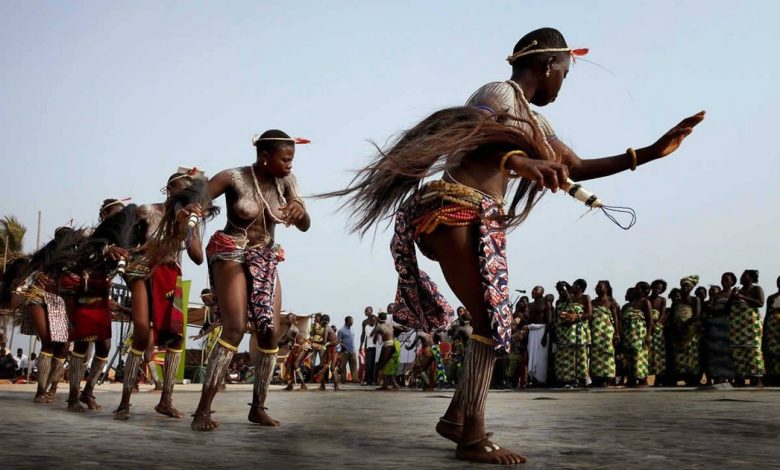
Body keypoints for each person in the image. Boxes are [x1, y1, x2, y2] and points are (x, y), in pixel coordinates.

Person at [325, 26, 702, 464]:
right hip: (455, 208)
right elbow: (472, 134)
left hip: (479, 217)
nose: (562, 84)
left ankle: (456, 419)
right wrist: (519, 159)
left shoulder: (536, 121)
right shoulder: (498, 93)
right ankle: (473, 437)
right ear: (548, 66)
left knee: (492, 320)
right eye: (564, 73)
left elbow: (575, 167)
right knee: (490, 320)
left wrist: (649, 153)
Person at [181, 129, 311, 431]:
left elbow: (305, 225)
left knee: (270, 332)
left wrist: (299, 211)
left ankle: (258, 408)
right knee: (236, 327)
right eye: (285, 159)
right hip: (231, 252)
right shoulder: (233, 177)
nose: (290, 164)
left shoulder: (287, 183)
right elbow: (196, 203)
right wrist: (191, 231)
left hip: (265, 256)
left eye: (292, 159)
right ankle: (203, 410)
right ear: (265, 157)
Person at [114, 172, 205, 420]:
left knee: (175, 339)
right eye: (178, 190)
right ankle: (124, 402)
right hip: (141, 271)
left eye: (188, 192)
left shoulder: (189, 220)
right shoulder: (146, 211)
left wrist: (190, 228)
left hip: (169, 274)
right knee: (142, 331)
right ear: (168, 190)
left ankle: (166, 400)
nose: (182, 196)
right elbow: (126, 239)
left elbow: (198, 258)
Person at [729, 270, 764, 387]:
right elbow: (727, 307)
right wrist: (733, 296)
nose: (741, 277)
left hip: (751, 325)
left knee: (753, 351)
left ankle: (757, 379)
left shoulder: (756, 289)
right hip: (737, 325)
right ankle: (740, 378)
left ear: (751, 278)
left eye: (744, 275)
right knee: (738, 351)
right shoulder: (738, 290)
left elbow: (760, 303)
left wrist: (742, 297)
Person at [555, 281, 591, 387]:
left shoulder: (584, 298)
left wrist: (574, 319)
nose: (561, 292)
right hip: (564, 332)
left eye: (563, 290)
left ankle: (581, 379)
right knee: (566, 356)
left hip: (578, 331)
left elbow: (589, 313)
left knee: (580, 355)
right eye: (559, 290)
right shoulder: (560, 301)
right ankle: (568, 379)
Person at [672, 276, 702, 386]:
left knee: (692, 354)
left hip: (691, 330)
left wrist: (686, 324)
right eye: (684, 286)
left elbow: (697, 314)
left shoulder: (695, 299)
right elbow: (672, 315)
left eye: (688, 286)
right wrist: (677, 326)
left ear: (692, 288)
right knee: (679, 355)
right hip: (678, 330)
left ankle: (692, 378)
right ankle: (681, 376)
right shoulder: (677, 301)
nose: (686, 288)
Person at [621, 282, 653, 387]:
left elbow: (650, 320)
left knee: (640, 356)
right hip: (628, 334)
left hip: (640, 334)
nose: (636, 290)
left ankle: (643, 379)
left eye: (638, 288)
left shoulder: (645, 302)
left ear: (644, 291)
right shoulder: (628, 305)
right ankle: (631, 379)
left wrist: (648, 335)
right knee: (629, 356)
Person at [705, 278, 734, 384]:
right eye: (722, 279)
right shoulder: (717, 295)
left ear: (732, 282)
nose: (724, 281)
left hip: (730, 324)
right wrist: (720, 311)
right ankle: (717, 376)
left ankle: (729, 376)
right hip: (716, 324)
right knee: (716, 351)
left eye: (727, 279)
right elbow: (709, 307)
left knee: (728, 351)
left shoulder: (736, 294)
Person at [590, 281, 618, 387]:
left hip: (607, 332)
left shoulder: (611, 301)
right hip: (595, 332)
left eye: (600, 287)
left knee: (607, 355)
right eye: (596, 287)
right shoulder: (593, 302)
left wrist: (617, 333)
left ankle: (607, 379)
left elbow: (616, 318)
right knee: (595, 356)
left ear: (606, 289)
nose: (597, 289)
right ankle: (596, 379)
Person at [526, 286, 551, 387]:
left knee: (541, 357)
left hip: (542, 331)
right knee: (532, 355)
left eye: (536, 290)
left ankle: (541, 381)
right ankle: (533, 380)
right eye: (532, 289)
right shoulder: (530, 305)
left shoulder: (546, 302)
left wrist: (545, 335)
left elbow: (549, 320)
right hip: (532, 331)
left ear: (542, 292)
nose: (533, 291)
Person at [278, 312, 309, 391]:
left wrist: (274, 346)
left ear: (292, 320)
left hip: (303, 347)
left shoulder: (292, 329)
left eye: (287, 318)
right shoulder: (290, 329)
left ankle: (303, 385)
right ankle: (290, 384)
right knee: (288, 364)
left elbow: (283, 341)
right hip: (296, 348)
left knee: (295, 364)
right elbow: (283, 341)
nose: (285, 320)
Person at [372, 311, 400, 390]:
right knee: (389, 364)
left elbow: (374, 339)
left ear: (378, 318)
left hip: (388, 345)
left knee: (382, 364)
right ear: (386, 318)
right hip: (395, 344)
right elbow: (402, 328)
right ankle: (392, 384)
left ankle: (386, 385)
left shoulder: (379, 327)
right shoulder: (390, 325)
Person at [648, 280, 668, 386]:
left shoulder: (662, 300)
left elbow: (663, 313)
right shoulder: (646, 299)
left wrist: (657, 324)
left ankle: (658, 378)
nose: (657, 290)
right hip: (647, 327)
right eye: (656, 287)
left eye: (660, 288)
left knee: (659, 354)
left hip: (657, 328)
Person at [316, 315, 341, 391]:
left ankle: (335, 385)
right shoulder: (328, 328)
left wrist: (315, 341)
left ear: (323, 321)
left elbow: (324, 341)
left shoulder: (326, 329)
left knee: (331, 367)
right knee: (325, 366)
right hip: (331, 348)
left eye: (320, 321)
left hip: (333, 349)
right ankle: (323, 385)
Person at [763, 275, 780, 385]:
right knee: (772, 353)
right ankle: (774, 376)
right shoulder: (772, 298)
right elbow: (767, 314)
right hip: (772, 329)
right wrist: (764, 330)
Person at [338, 316, 357, 383]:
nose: (352, 322)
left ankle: (355, 379)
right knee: (343, 366)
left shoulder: (352, 329)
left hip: (352, 350)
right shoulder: (341, 330)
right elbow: (338, 341)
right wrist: (340, 351)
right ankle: (343, 379)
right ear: (346, 321)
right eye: (351, 321)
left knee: (354, 365)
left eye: (352, 321)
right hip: (345, 351)